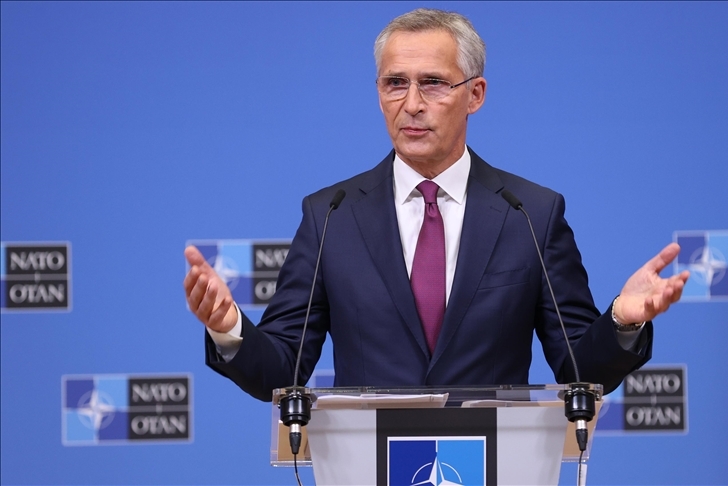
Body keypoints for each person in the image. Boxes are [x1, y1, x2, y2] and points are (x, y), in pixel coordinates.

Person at [184, 8, 688, 402]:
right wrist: (229, 329)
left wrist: (622, 321)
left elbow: (579, 368)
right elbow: (282, 371)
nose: (412, 104)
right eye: (395, 83)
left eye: (433, 83)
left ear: (476, 95)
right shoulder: (331, 216)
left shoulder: (531, 214)